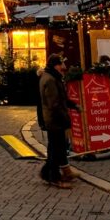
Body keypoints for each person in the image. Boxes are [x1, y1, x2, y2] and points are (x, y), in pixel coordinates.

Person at [39, 54, 77, 189]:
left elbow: (61, 98)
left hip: (55, 119)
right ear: (56, 65)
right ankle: (53, 176)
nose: (64, 67)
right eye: (62, 64)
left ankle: (50, 173)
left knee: (56, 148)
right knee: (56, 148)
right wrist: (66, 120)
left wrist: (73, 105)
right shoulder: (50, 79)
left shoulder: (53, 77)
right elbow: (54, 103)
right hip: (54, 120)